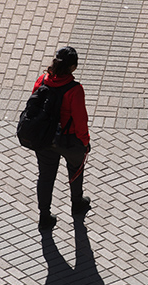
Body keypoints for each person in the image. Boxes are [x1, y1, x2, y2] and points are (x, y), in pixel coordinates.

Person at [34, 46, 91, 230]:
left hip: (45, 138)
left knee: (45, 177)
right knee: (76, 169)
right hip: (69, 140)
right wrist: (85, 141)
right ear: (73, 67)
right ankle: (77, 204)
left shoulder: (42, 80)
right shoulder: (75, 89)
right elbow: (81, 119)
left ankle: (44, 216)